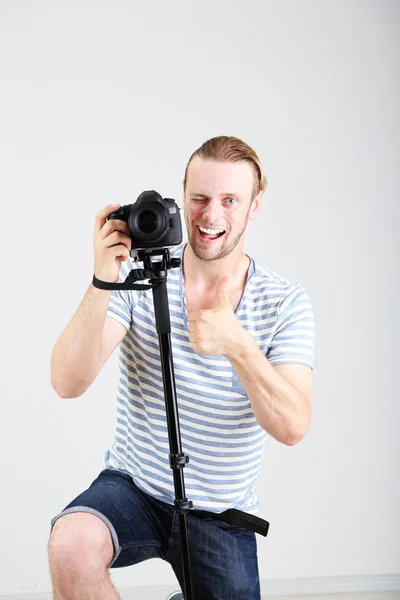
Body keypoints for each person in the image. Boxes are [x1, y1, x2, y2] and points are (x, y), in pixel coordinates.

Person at [48, 136, 315, 600]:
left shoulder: (284, 302)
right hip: (135, 487)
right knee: (71, 546)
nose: (212, 216)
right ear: (181, 198)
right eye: (200, 198)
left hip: (219, 511)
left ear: (254, 206)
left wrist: (237, 344)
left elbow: (292, 426)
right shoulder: (140, 278)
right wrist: (102, 280)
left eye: (230, 200)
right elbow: (67, 382)